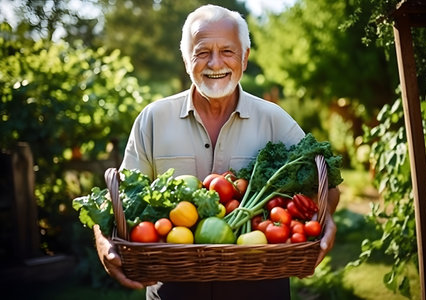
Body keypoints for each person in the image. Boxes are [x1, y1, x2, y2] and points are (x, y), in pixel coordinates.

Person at [93, 4, 340, 300]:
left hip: (260, 288)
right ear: (186, 60)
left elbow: (327, 188)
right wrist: (102, 241)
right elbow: (120, 194)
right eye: (201, 52)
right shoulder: (153, 118)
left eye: (227, 51)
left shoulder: (274, 119)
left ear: (245, 58)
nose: (214, 63)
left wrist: (327, 220)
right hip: (172, 289)